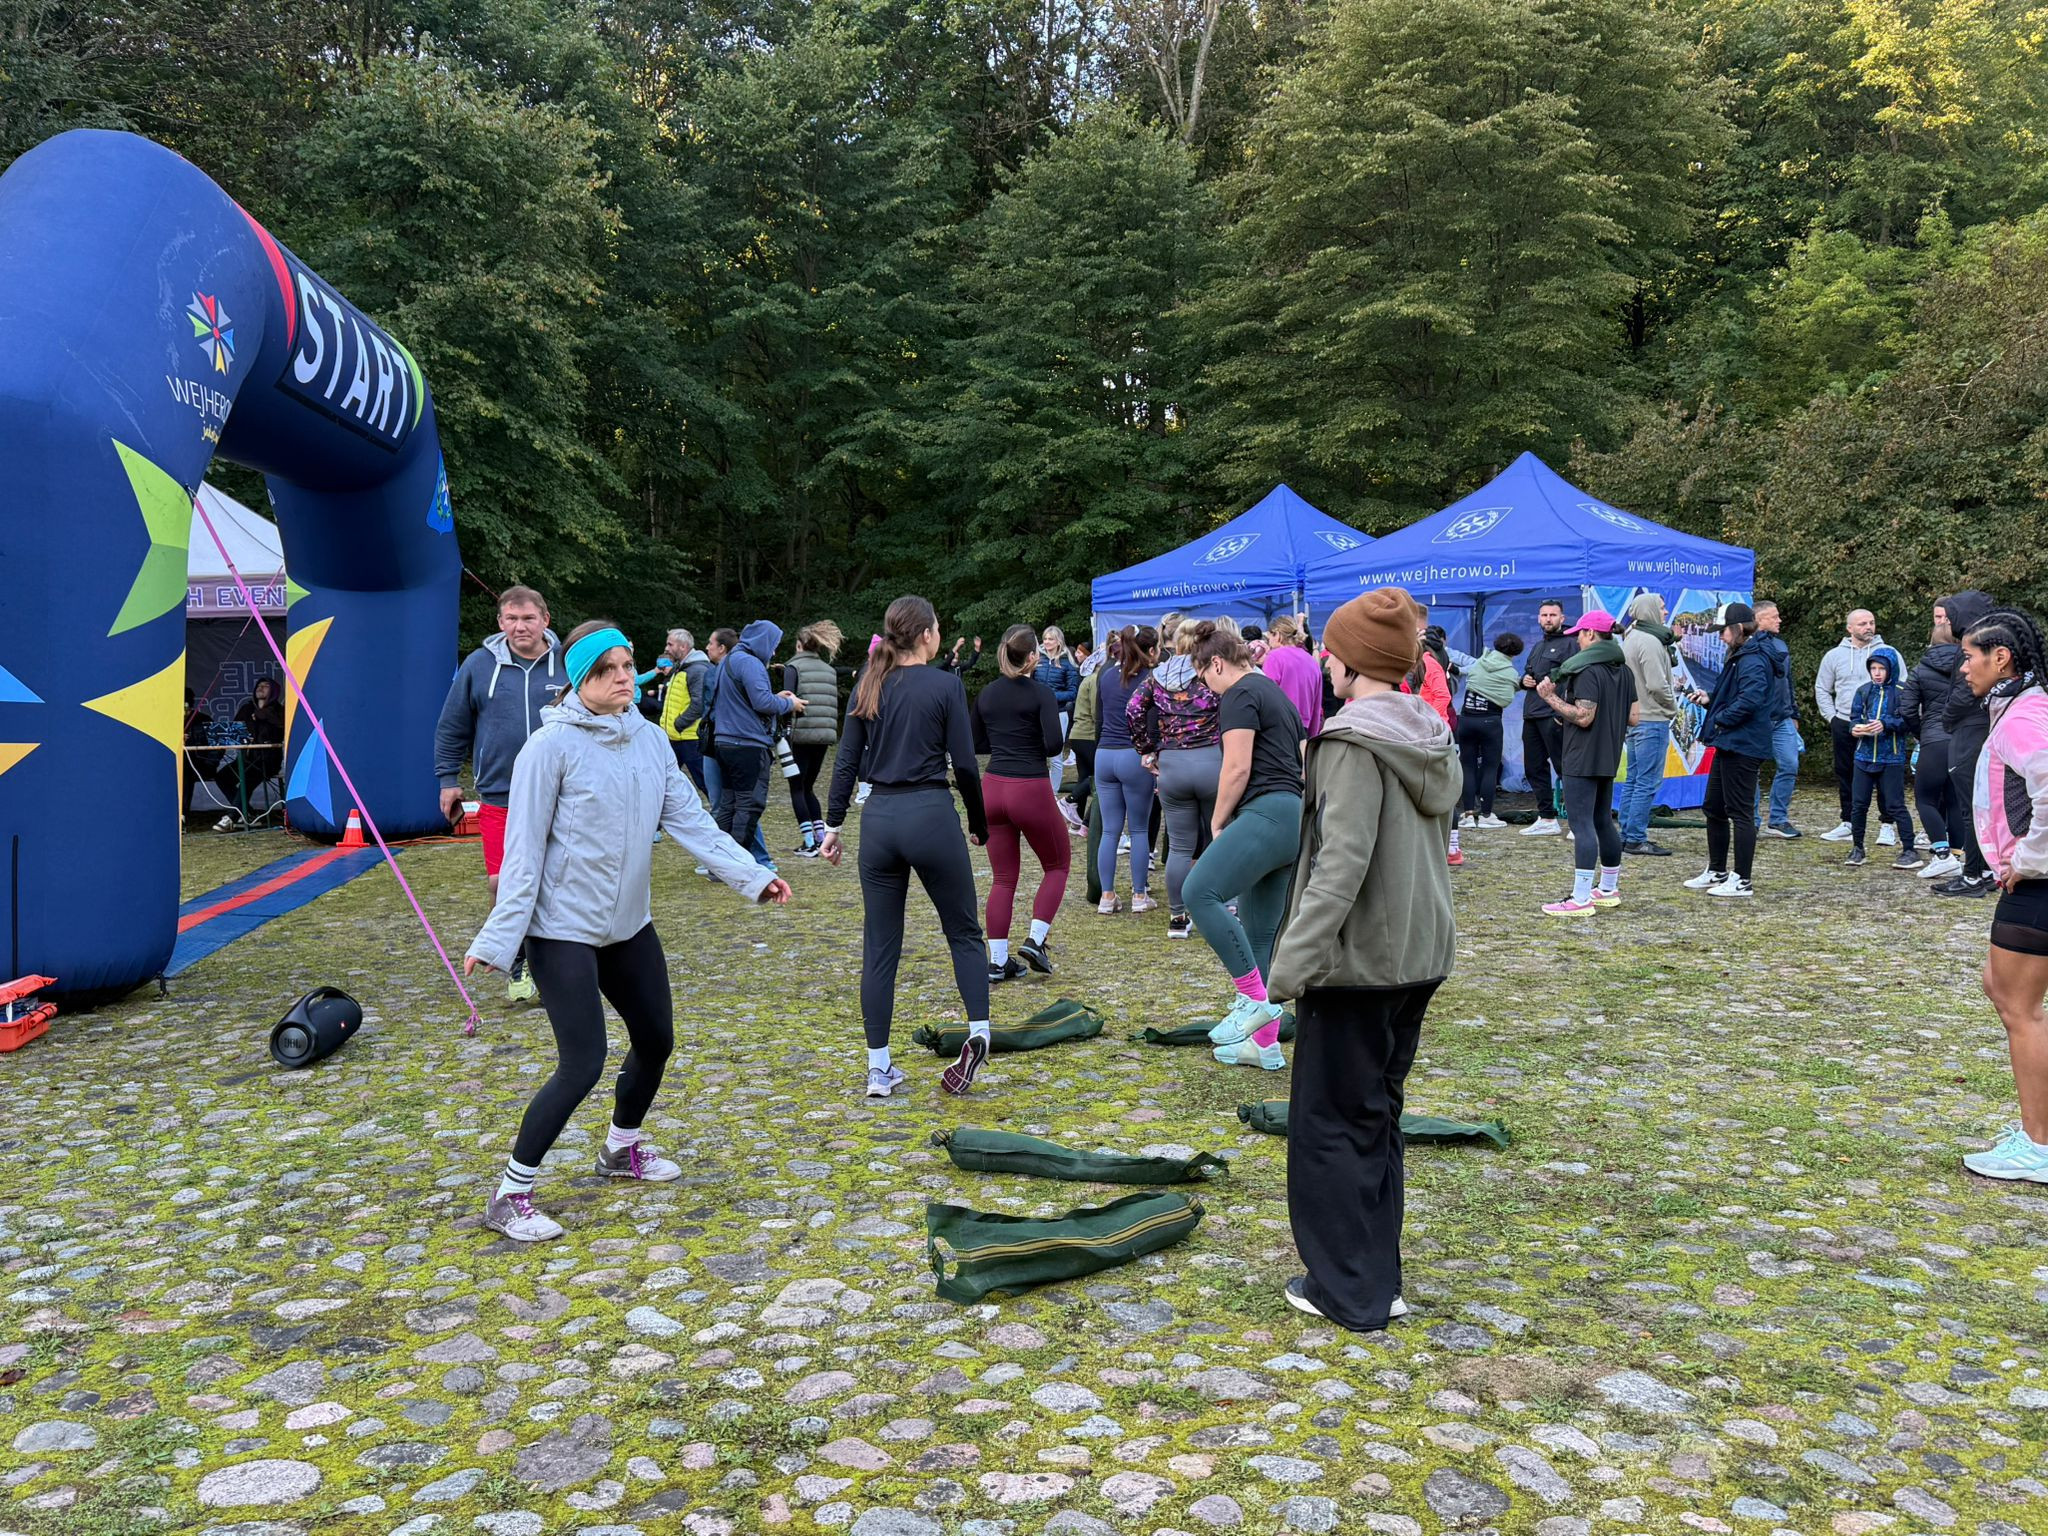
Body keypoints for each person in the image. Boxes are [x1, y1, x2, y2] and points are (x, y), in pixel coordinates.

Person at [465, 620, 792, 1241]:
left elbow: (692, 821)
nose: (623, 678)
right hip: (561, 930)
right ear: (579, 680)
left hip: (628, 925)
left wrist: (752, 876)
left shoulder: (648, 739)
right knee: (582, 1061)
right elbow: (523, 854)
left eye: (626, 666)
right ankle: (510, 1194)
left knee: (657, 1038)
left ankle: (620, 1150)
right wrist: (497, 939)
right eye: (607, 670)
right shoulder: (548, 748)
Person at [1264, 586, 1457, 1328]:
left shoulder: (1350, 743)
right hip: (1418, 954)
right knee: (1375, 1118)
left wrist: (1288, 971)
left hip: (1359, 963)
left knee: (1330, 1126)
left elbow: (1338, 865)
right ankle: (1380, 1277)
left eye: (1330, 651)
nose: (1323, 661)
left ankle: (1347, 1290)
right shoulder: (1425, 731)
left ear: (1347, 661)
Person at [821, 595, 993, 1099]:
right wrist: (979, 825)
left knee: (879, 946)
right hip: (931, 815)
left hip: (879, 822)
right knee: (963, 932)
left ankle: (879, 1068)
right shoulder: (945, 685)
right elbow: (964, 765)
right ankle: (979, 1031)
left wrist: (832, 825)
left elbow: (846, 759)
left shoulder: (869, 681)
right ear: (925, 635)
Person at [434, 585, 563, 1003]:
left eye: (528, 618)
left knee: (558, 883)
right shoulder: (478, 664)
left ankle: (562, 965)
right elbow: (452, 726)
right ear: (500, 622)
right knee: (502, 885)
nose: (520, 626)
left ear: (545, 619)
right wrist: (447, 778)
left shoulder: (569, 664)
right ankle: (518, 963)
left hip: (563, 793)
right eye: (511, 618)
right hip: (500, 794)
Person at [1187, 622, 1306, 1070]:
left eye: (1204, 679)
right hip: (1290, 817)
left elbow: (1237, 768)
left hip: (1267, 812)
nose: (1207, 689)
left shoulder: (1238, 694)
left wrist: (1217, 822)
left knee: (1199, 891)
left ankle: (1252, 1000)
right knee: (1260, 933)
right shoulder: (1275, 692)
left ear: (1216, 663)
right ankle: (1266, 1045)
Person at [1957, 608, 2048, 1183]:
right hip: (2032, 879)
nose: (1963, 667)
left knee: (2020, 1009)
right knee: (2002, 987)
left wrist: (2032, 859)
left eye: (1970, 656)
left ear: (2001, 658)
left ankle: (2037, 1146)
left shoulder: (2023, 718)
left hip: (2038, 882)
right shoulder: (2025, 705)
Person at [973, 626, 1068, 981]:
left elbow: (976, 741)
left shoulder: (986, 694)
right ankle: (1036, 940)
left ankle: (997, 961)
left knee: (1002, 878)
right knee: (1057, 865)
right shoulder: (1041, 693)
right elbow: (1054, 745)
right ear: (1032, 657)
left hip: (993, 787)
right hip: (1029, 785)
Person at [1535, 612, 1635, 915]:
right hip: (1609, 754)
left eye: (1580, 634)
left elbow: (1584, 716)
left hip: (1581, 755)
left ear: (1592, 634)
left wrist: (1550, 698)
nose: (1577, 639)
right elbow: (1634, 717)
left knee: (1581, 825)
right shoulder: (1624, 670)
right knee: (1604, 821)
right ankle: (1607, 888)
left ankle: (1579, 899)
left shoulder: (1588, 670)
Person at [1128, 620, 1223, 941]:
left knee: (1180, 846)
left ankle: (1178, 917)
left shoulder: (1157, 677)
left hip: (1172, 765)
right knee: (1219, 837)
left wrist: (1146, 749)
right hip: (1212, 759)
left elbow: (1132, 710)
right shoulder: (1211, 673)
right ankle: (1226, 905)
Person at [1685, 603, 1775, 898]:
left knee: (1741, 812)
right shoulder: (1741, 655)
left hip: (1743, 744)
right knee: (1713, 806)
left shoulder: (1752, 659)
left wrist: (1721, 718)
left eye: (1722, 631)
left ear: (1738, 629)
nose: (1720, 637)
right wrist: (1711, 702)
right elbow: (1738, 697)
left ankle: (1743, 880)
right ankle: (1717, 870)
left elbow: (1750, 700)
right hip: (1730, 741)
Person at [711, 620, 804, 860]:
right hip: (747, 745)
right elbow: (762, 703)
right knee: (748, 805)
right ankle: (737, 864)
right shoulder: (751, 663)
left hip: (725, 742)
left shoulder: (728, 661)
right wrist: (788, 703)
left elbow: (743, 700)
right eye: (772, 645)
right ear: (762, 642)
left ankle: (718, 862)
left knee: (729, 805)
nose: (773, 652)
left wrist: (774, 696)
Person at [1937, 589, 2001, 898]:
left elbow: (1967, 692)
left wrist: (1947, 718)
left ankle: (1973, 875)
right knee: (1980, 805)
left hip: (1970, 732)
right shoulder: (1989, 641)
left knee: (1972, 807)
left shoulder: (1975, 646)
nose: (1946, 623)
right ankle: (1985, 870)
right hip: (1978, 730)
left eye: (1949, 617)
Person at [1093, 625, 1159, 914]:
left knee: (1110, 830)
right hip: (1134, 756)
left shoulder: (1106, 677)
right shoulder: (1150, 680)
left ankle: (1107, 896)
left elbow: (1099, 717)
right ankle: (1139, 894)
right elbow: (1154, 723)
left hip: (1105, 754)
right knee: (1140, 829)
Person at [1815, 609, 1892, 843]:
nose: (1868, 627)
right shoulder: (1834, 656)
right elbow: (1822, 688)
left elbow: (1901, 687)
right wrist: (1833, 718)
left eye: (1871, 622)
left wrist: (1887, 719)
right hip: (1845, 723)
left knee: (1883, 774)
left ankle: (1887, 825)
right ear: (1849, 628)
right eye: (1862, 624)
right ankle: (1848, 822)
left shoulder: (1888, 653)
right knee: (1846, 772)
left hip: (1878, 725)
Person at [1901, 604, 1965, 880]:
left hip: (1934, 739)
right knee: (1955, 800)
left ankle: (1941, 854)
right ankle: (1959, 856)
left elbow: (1906, 709)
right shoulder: (1968, 667)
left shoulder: (1920, 670)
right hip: (1963, 740)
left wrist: (1921, 732)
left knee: (1925, 799)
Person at [1844, 645, 1921, 869]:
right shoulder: (1863, 691)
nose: (1877, 673)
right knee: (1858, 805)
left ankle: (1909, 848)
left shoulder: (1902, 691)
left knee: (1895, 805)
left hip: (1891, 759)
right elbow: (1854, 717)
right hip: (1863, 757)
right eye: (1873, 668)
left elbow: (1909, 722)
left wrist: (1886, 724)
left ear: (1891, 669)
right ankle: (1857, 848)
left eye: (1881, 668)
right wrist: (1855, 728)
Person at [1618, 594, 1678, 857]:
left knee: (1634, 780)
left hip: (1635, 719)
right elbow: (1655, 684)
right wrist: (1672, 705)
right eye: (1662, 607)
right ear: (1650, 610)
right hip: (1652, 718)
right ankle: (1635, 837)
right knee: (1647, 782)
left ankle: (1625, 834)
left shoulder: (1632, 637)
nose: (1665, 612)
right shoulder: (1651, 642)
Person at [783, 621, 843, 857]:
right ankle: (820, 836)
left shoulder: (792, 667)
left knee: (796, 788)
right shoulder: (829, 670)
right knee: (808, 787)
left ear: (799, 645)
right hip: (823, 735)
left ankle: (809, 842)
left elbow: (788, 700)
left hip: (799, 734)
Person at [1518, 600, 1576, 835]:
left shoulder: (1571, 643)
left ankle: (1576, 821)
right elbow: (1529, 675)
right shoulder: (1538, 646)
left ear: (1562, 618)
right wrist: (1524, 681)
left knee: (1565, 768)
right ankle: (1546, 818)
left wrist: (1564, 711)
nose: (1548, 619)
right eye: (1544, 615)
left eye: (1553, 615)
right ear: (1538, 618)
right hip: (1532, 712)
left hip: (1554, 714)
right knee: (1533, 767)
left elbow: (1573, 678)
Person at [1456, 633, 1521, 829]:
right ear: (1516, 653)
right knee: (1490, 768)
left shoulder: (1479, 663)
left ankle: (1467, 814)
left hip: (1466, 719)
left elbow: (1462, 672)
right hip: (1490, 721)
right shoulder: (1510, 673)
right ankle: (1486, 815)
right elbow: (1507, 697)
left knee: (1466, 766)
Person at [1750, 601, 1804, 839]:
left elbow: (1787, 682)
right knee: (1751, 770)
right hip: (1756, 720)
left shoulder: (1780, 645)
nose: (1779, 620)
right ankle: (1750, 821)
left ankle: (1778, 819)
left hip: (1782, 718)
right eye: (1774, 617)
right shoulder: (1747, 647)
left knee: (1790, 765)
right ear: (1758, 620)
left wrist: (1794, 713)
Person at [211, 676, 285, 826]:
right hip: (246, 760)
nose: (260, 687)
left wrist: (261, 714)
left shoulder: (279, 711)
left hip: (267, 761)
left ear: (274, 691)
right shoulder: (247, 708)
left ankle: (231, 818)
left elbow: (281, 726)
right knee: (222, 777)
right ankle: (247, 813)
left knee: (248, 778)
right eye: (259, 685)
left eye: (265, 686)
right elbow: (233, 730)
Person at [656, 628, 712, 793]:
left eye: (670, 644)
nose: (666, 648)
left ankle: (723, 817)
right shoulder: (682, 668)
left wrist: (678, 724)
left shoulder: (697, 670)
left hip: (690, 738)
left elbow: (699, 703)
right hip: (674, 737)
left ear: (683, 647)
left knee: (705, 782)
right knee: (663, 781)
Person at [1259, 615, 1324, 738]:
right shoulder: (1311, 661)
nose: (1269, 642)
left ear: (1277, 635)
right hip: (1305, 729)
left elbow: (1266, 697)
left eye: (1270, 636)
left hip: (1278, 728)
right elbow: (1317, 705)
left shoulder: (1274, 657)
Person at [1063, 642, 1103, 832]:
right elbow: (1097, 712)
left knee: (1084, 777)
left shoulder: (1089, 678)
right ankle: (1069, 801)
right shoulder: (1095, 680)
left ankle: (1078, 822)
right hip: (1087, 735)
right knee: (1098, 778)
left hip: (1079, 734)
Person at [1035, 628, 1080, 787]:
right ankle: (1038, 790)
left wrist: (1051, 697)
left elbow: (1073, 692)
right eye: (1045, 638)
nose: (1047, 642)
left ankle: (1053, 793)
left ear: (1058, 641)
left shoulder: (1068, 664)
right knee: (1036, 753)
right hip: (1036, 714)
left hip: (1058, 713)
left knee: (1056, 756)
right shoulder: (1037, 660)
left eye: (1051, 639)